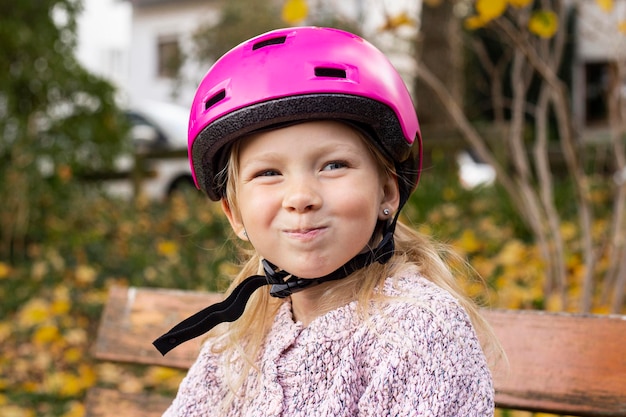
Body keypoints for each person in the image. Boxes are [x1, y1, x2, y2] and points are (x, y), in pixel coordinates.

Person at [153, 26, 498, 416]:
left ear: (387, 192)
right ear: (235, 215)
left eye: (333, 165)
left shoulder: (419, 334)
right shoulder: (241, 340)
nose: (301, 197)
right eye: (268, 172)